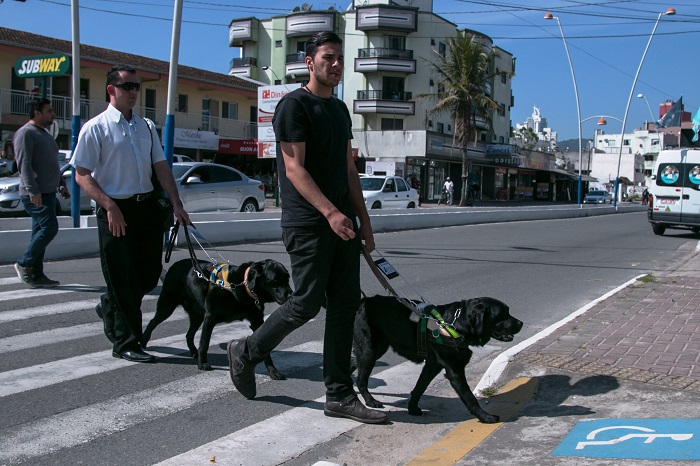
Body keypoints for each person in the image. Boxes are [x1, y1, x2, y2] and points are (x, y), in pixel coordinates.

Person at [226, 32, 387, 424]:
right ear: (309, 61)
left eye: (339, 58)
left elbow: (349, 169)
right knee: (306, 303)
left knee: (346, 304)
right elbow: (294, 168)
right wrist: (330, 213)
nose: (335, 64)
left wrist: (364, 220)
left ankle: (338, 394)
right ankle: (245, 351)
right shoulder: (293, 107)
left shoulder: (340, 110)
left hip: (343, 223)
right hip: (309, 223)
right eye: (327, 57)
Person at [72, 65, 190, 364]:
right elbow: (82, 174)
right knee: (123, 278)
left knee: (149, 275)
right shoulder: (95, 127)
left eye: (137, 86)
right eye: (128, 86)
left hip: (146, 208)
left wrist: (176, 203)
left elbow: (161, 167)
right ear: (111, 89)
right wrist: (109, 205)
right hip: (115, 209)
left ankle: (110, 304)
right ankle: (127, 341)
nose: (134, 92)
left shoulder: (146, 126)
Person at [13, 97, 70, 288]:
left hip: (48, 192)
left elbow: (53, 163)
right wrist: (32, 190)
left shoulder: (44, 134)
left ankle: (36, 274)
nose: (53, 114)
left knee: (39, 231)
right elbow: (24, 164)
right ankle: (24, 263)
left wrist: (61, 184)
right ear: (37, 113)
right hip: (35, 193)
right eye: (49, 111)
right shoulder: (25, 134)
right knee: (49, 227)